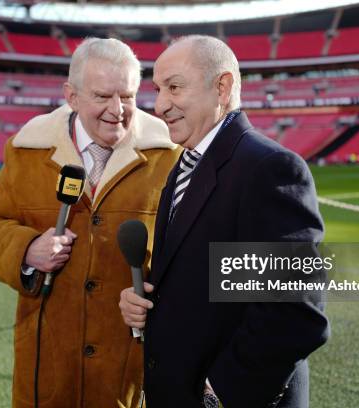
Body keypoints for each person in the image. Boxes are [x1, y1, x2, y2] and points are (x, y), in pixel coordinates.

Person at [119, 35, 329, 408]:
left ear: (223, 86)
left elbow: (294, 308)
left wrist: (221, 394)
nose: (160, 104)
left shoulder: (269, 167)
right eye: (157, 89)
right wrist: (146, 297)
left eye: (174, 87)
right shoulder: (183, 166)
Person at [0, 38, 179, 408]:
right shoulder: (26, 151)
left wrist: (159, 299)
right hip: (46, 374)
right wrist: (26, 249)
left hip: (128, 375)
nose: (117, 110)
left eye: (127, 96)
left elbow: (190, 252)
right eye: (102, 96)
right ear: (72, 96)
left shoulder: (170, 157)